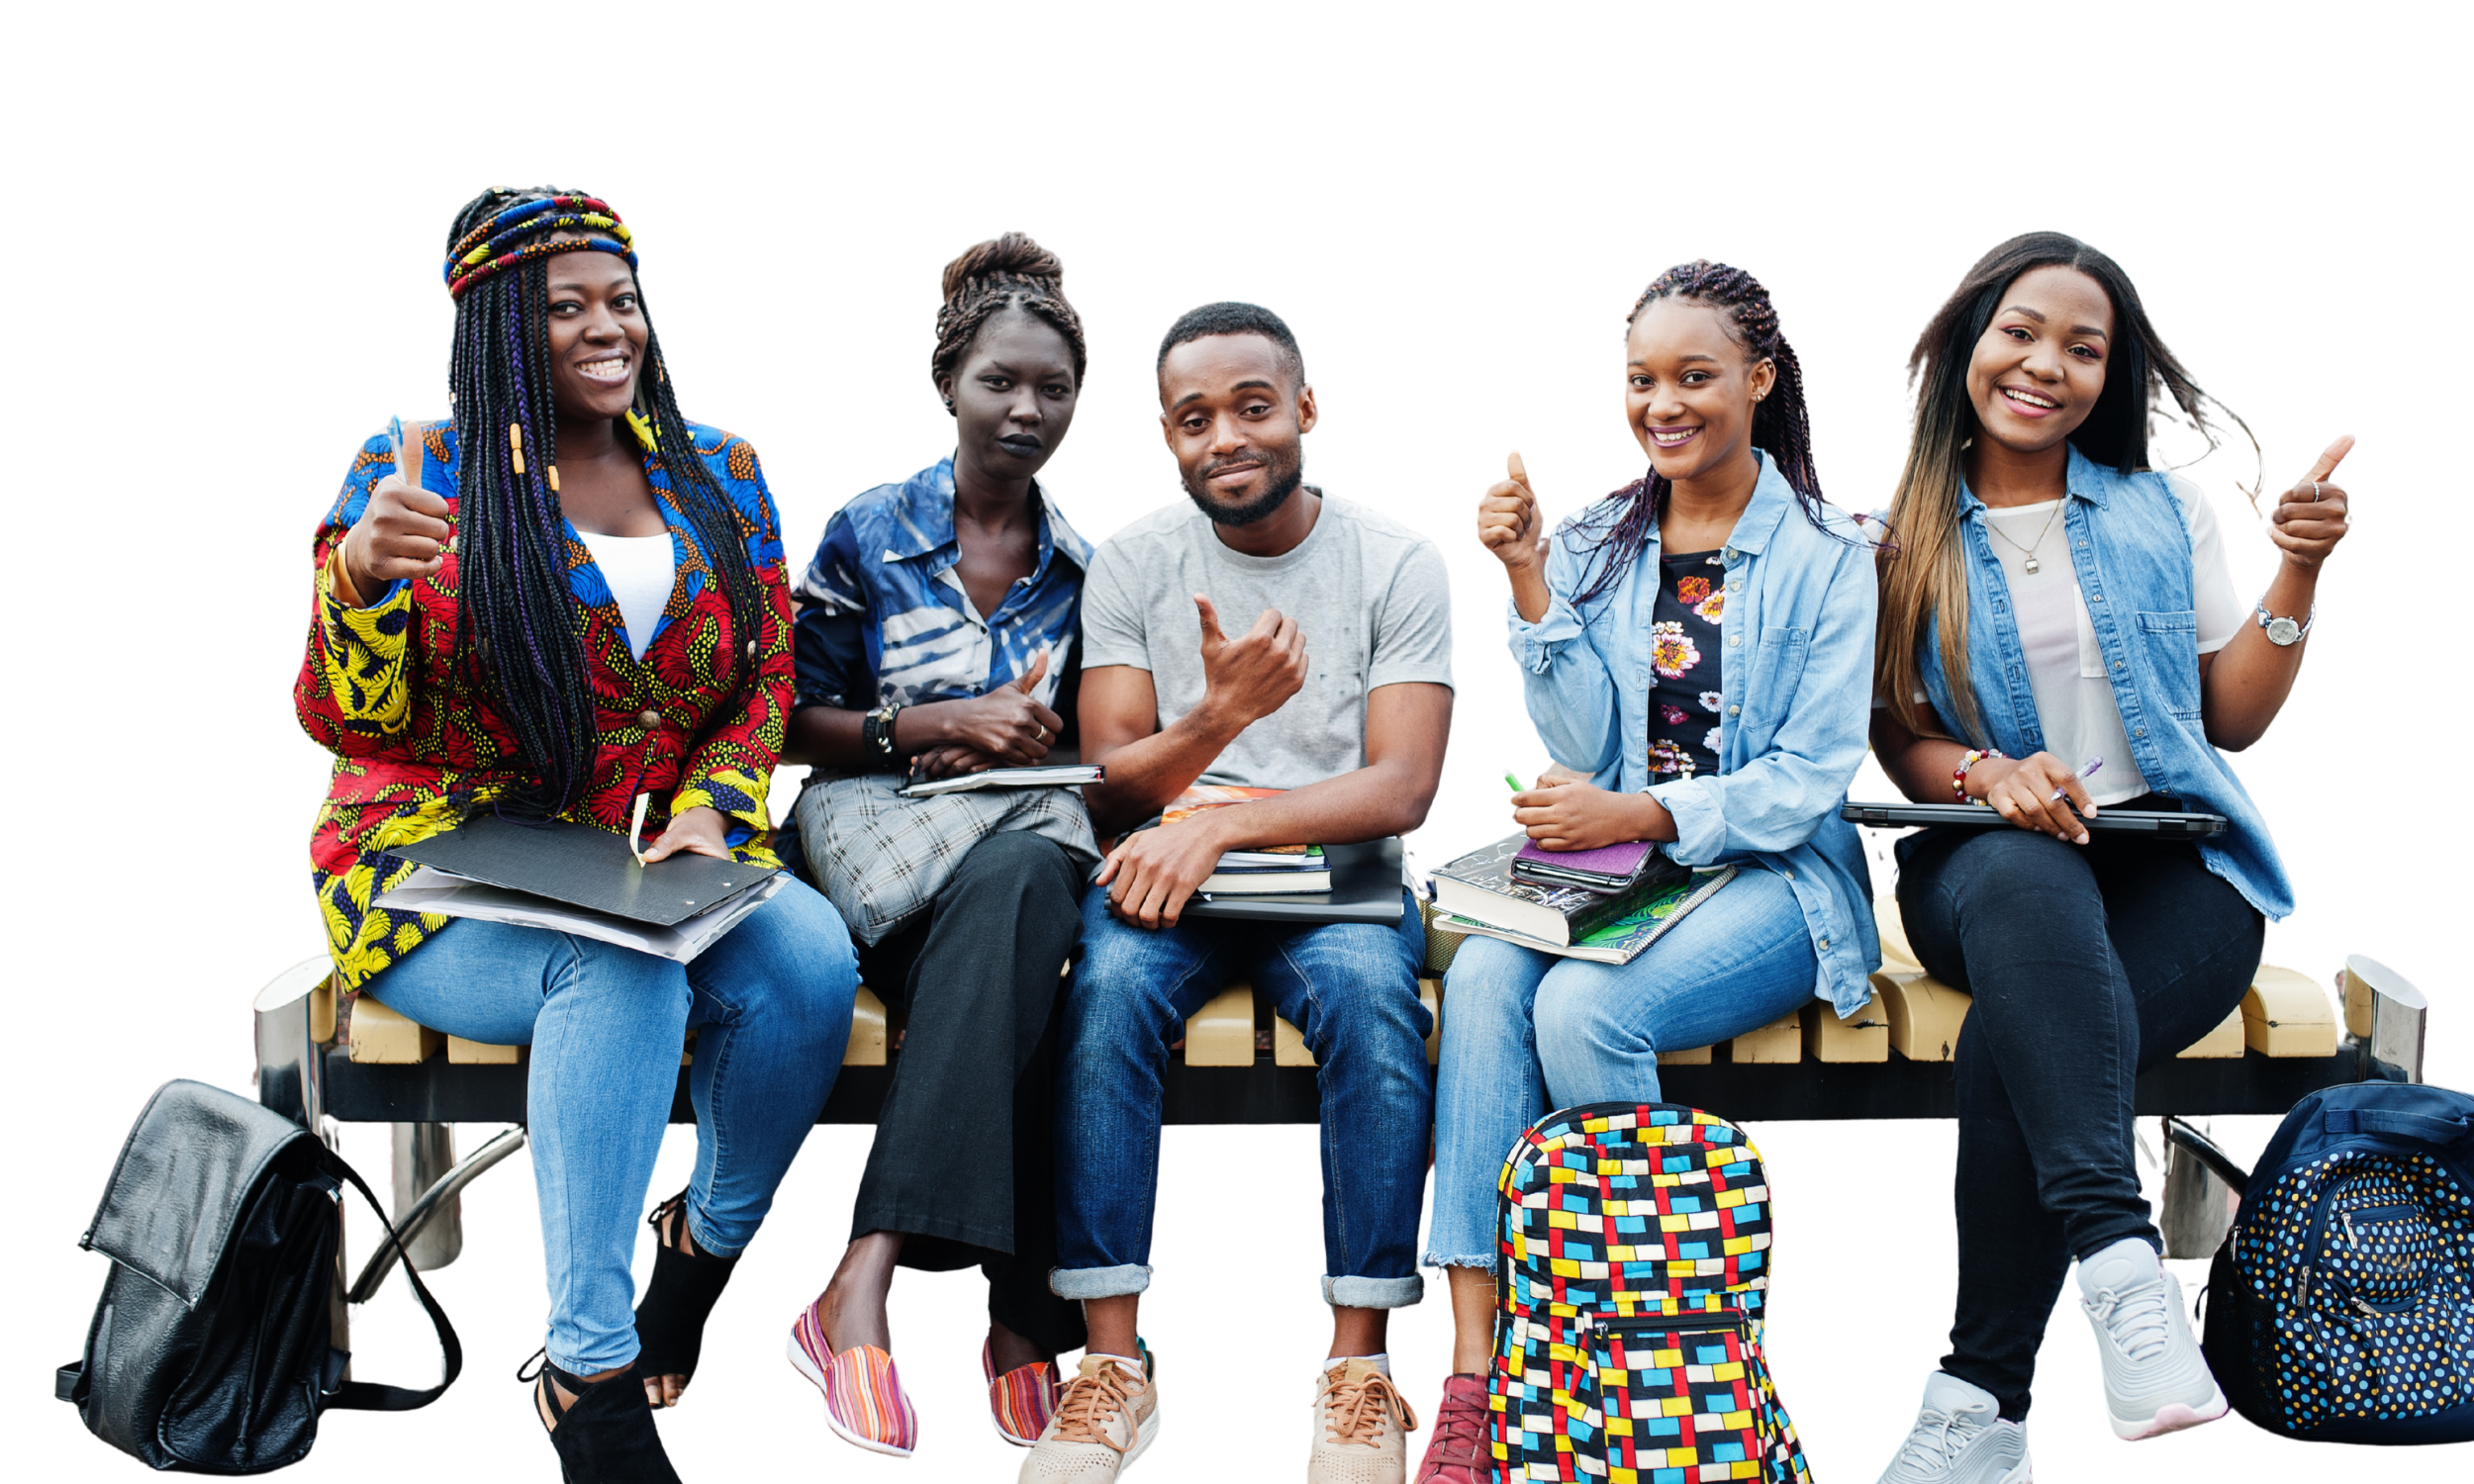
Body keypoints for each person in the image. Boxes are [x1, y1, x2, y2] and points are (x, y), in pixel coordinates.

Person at [295, 185, 858, 1482]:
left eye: (622, 301)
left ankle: (702, 1253)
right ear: (498, 327)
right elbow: (347, 714)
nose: (610, 330)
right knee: (614, 965)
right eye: (567, 309)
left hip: (637, 853)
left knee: (810, 958)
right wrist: (364, 583)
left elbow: (763, 677)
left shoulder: (723, 474)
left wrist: (721, 795)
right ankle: (585, 1375)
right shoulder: (413, 467)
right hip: (430, 861)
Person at [1864, 232, 2344, 1484]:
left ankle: (1972, 1414)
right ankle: (2128, 1276)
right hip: (1981, 860)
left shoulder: (2162, 509)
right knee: (2029, 882)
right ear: (1970, 339)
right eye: (2022, 331)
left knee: (2012, 1045)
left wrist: (2291, 569)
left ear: (2113, 376)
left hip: (2171, 871)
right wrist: (1985, 773)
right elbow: (1891, 740)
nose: (2045, 366)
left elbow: (2234, 723)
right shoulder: (1893, 535)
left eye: (2085, 348)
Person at [1413, 259, 1882, 1484]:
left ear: (1759, 381)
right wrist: (1524, 579)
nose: (1659, 404)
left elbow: (1810, 779)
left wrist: (1645, 810)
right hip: (1618, 868)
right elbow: (1569, 754)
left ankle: (1635, 1346)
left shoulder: (1832, 554)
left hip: (1780, 881)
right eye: (1638, 380)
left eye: (1692, 377)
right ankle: (1477, 1373)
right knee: (1478, 986)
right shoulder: (1598, 543)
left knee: (1578, 1010)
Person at [1012, 302, 1452, 1484]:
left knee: (1375, 1012)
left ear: (1306, 412)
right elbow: (1110, 787)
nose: (1225, 439)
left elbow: (1402, 785)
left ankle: (1359, 1372)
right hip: (1165, 868)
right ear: (1164, 434)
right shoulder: (1132, 562)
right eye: (1194, 419)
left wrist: (1226, 825)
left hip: (1332, 870)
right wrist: (1220, 719)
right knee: (1103, 998)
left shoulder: (1395, 558)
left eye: (1252, 408)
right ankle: (1111, 1366)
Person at [780, 232, 1097, 1459]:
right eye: (999, 382)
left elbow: (1115, 741)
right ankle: (1018, 1318)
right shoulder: (866, 531)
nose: (1025, 409)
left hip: (1011, 857)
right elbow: (786, 727)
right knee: (1019, 946)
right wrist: (931, 722)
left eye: (1053, 390)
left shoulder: (1089, 570)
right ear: (946, 387)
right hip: (880, 851)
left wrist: (1028, 744)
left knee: (1020, 894)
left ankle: (862, 1279)